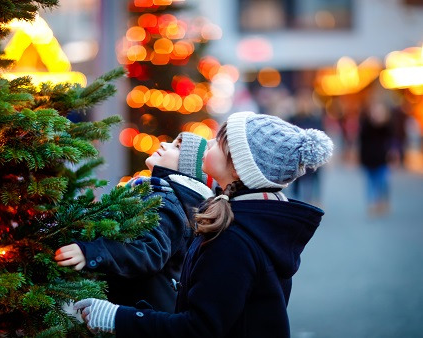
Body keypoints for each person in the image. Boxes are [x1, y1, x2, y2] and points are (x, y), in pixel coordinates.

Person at [72, 111, 334, 337]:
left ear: (239, 168)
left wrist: (116, 317)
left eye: (219, 143)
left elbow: (199, 328)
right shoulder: (254, 221)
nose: (208, 144)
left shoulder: (234, 240)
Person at [54, 132, 214, 313]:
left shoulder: (166, 203)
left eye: (177, 147)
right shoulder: (163, 196)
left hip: (144, 316)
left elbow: (148, 250)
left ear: (187, 169)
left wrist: (93, 252)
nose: (164, 144)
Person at [358, 101, 393, 216]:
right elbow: (361, 143)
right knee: (371, 182)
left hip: (382, 159)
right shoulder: (366, 125)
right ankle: (372, 204)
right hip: (369, 159)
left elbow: (391, 142)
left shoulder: (387, 126)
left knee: (382, 181)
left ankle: (382, 202)